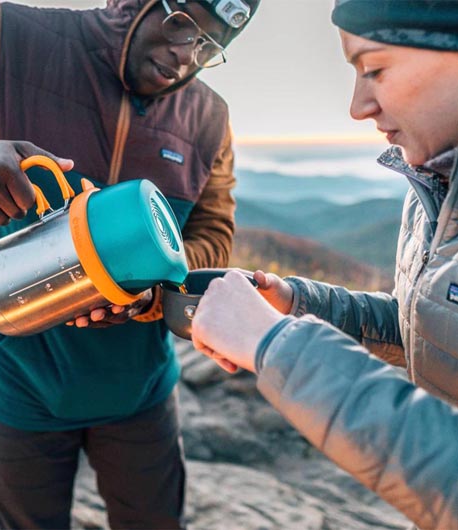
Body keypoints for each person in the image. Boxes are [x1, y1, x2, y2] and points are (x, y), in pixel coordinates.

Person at [0, 1, 260, 528]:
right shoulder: (1, 39)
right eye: (182, 24)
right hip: (15, 383)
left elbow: (212, 235)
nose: (185, 56)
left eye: (208, 46)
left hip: (138, 393)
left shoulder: (208, 118)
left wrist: (152, 292)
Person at [191, 1, 458, 528]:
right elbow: (430, 333)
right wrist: (295, 306)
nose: (359, 106)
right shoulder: (433, 187)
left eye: (375, 68)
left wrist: (273, 345)